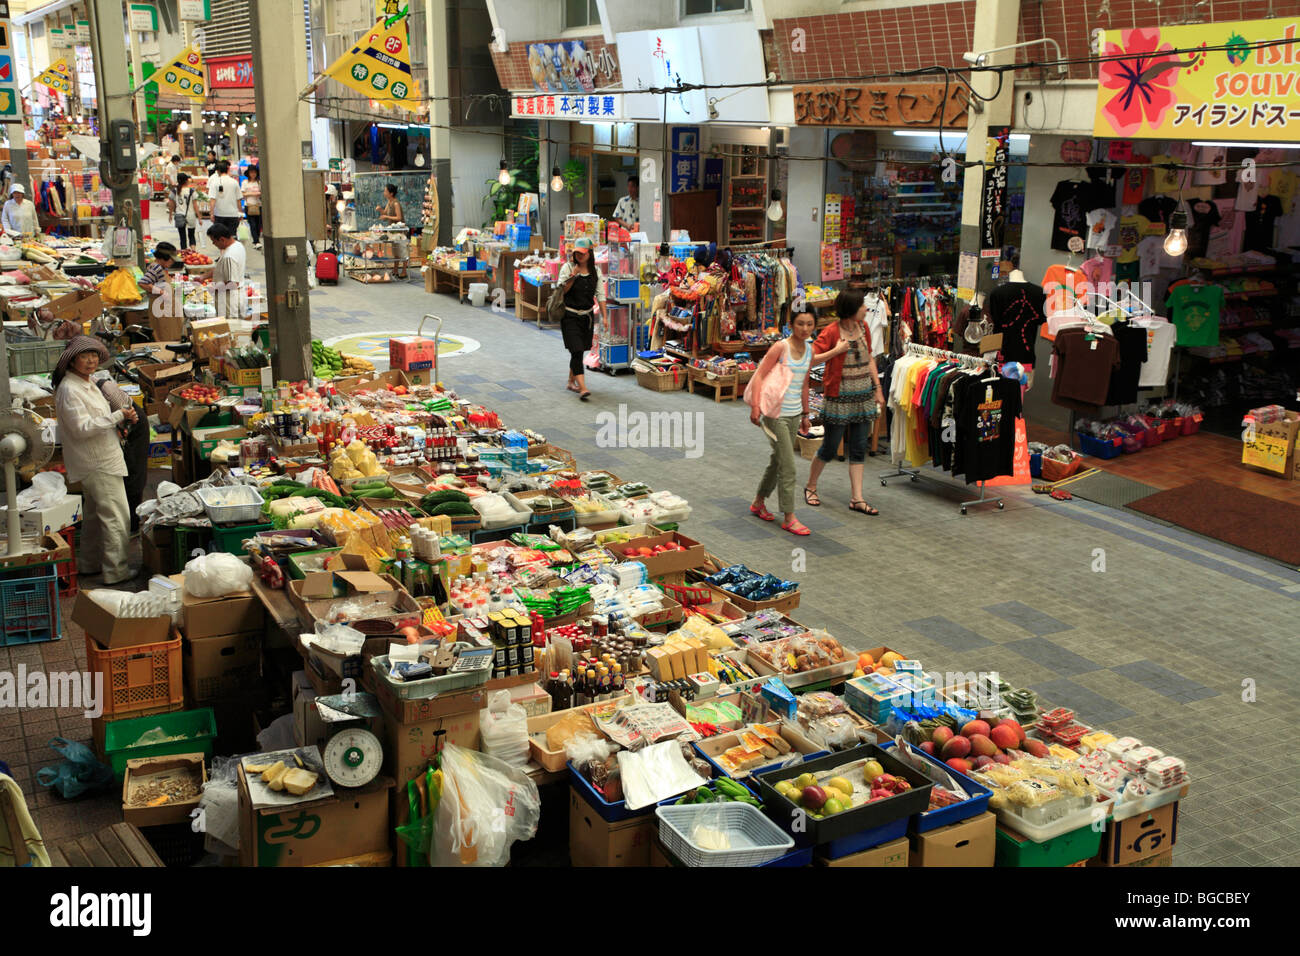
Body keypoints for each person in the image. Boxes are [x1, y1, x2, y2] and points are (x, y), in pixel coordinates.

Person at [53, 337, 137, 585]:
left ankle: (89, 564)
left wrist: (120, 420)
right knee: (116, 517)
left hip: (100, 456)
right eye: (84, 356)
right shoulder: (70, 389)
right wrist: (117, 416)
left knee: (93, 518)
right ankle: (116, 571)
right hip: (97, 462)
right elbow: (81, 428)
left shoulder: (84, 383)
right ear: (72, 360)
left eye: (93, 355)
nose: (90, 360)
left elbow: (97, 419)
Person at [745, 311, 837, 536]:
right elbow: (759, 375)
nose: (805, 329)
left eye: (809, 324)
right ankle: (789, 517)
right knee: (789, 466)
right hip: (775, 415)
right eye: (800, 324)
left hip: (795, 414)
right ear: (791, 324)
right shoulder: (780, 348)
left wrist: (806, 414)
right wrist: (755, 406)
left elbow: (805, 384)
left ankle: (758, 502)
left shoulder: (809, 350)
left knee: (778, 460)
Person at [804, 291, 886, 516]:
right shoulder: (831, 331)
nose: (865, 309)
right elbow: (809, 358)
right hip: (838, 398)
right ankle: (811, 485)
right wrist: (835, 351)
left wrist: (877, 388)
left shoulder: (865, 329)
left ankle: (857, 498)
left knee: (859, 447)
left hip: (862, 397)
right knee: (830, 447)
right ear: (851, 309)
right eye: (861, 306)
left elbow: (869, 358)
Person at [556, 237, 603, 401]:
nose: (579, 256)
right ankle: (583, 388)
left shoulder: (596, 271)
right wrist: (573, 274)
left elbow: (601, 295)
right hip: (569, 316)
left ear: (589, 253)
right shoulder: (567, 268)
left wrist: (605, 316)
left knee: (580, 350)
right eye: (577, 253)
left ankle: (571, 381)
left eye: (582, 253)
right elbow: (563, 290)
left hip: (587, 317)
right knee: (576, 350)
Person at [208, 223, 247, 319]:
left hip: (229, 301)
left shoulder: (229, 256)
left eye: (214, 241)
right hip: (237, 296)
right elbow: (221, 270)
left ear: (222, 239)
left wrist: (214, 288)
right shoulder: (238, 245)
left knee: (230, 328)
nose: (213, 244)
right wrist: (203, 277)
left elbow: (233, 284)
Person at [209, 160, 243, 237]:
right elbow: (238, 200)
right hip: (233, 214)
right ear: (227, 169)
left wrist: (211, 214)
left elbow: (212, 200)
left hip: (219, 214)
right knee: (232, 237)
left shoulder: (214, 182)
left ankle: (223, 249)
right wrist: (240, 213)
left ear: (217, 171)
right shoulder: (234, 182)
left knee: (221, 238)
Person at [171, 173, 199, 249]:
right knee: (191, 235)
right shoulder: (191, 191)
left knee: (182, 237)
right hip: (191, 215)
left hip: (179, 215)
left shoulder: (174, 191)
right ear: (187, 181)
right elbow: (195, 205)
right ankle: (193, 253)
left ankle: (184, 254)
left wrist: (171, 214)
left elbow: (171, 204)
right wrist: (199, 217)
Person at [241, 164, 262, 248]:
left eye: (254, 172)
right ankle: (256, 241)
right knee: (252, 224)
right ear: (248, 173)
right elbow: (242, 194)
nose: (253, 174)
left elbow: (262, 193)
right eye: (251, 172)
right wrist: (253, 193)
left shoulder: (259, 182)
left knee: (258, 224)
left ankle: (256, 239)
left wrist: (257, 194)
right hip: (248, 206)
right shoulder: (245, 183)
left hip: (259, 205)